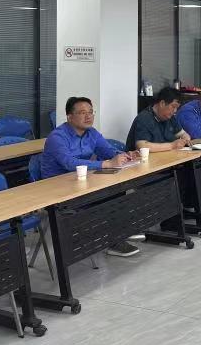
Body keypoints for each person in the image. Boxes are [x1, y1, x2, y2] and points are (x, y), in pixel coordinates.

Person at [43, 96, 143, 257]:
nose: (88, 116)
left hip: (81, 182)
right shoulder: (57, 137)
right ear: (69, 117)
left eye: (90, 112)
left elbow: (108, 151)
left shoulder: (92, 133)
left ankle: (118, 233)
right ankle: (115, 237)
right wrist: (106, 164)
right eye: (82, 113)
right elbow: (69, 163)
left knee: (116, 190)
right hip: (59, 189)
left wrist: (126, 155)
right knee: (105, 195)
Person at [126, 86, 192, 152]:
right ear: (162, 103)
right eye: (173, 106)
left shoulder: (170, 117)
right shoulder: (144, 118)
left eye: (177, 108)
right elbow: (142, 146)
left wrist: (185, 139)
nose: (175, 111)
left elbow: (183, 134)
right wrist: (172, 145)